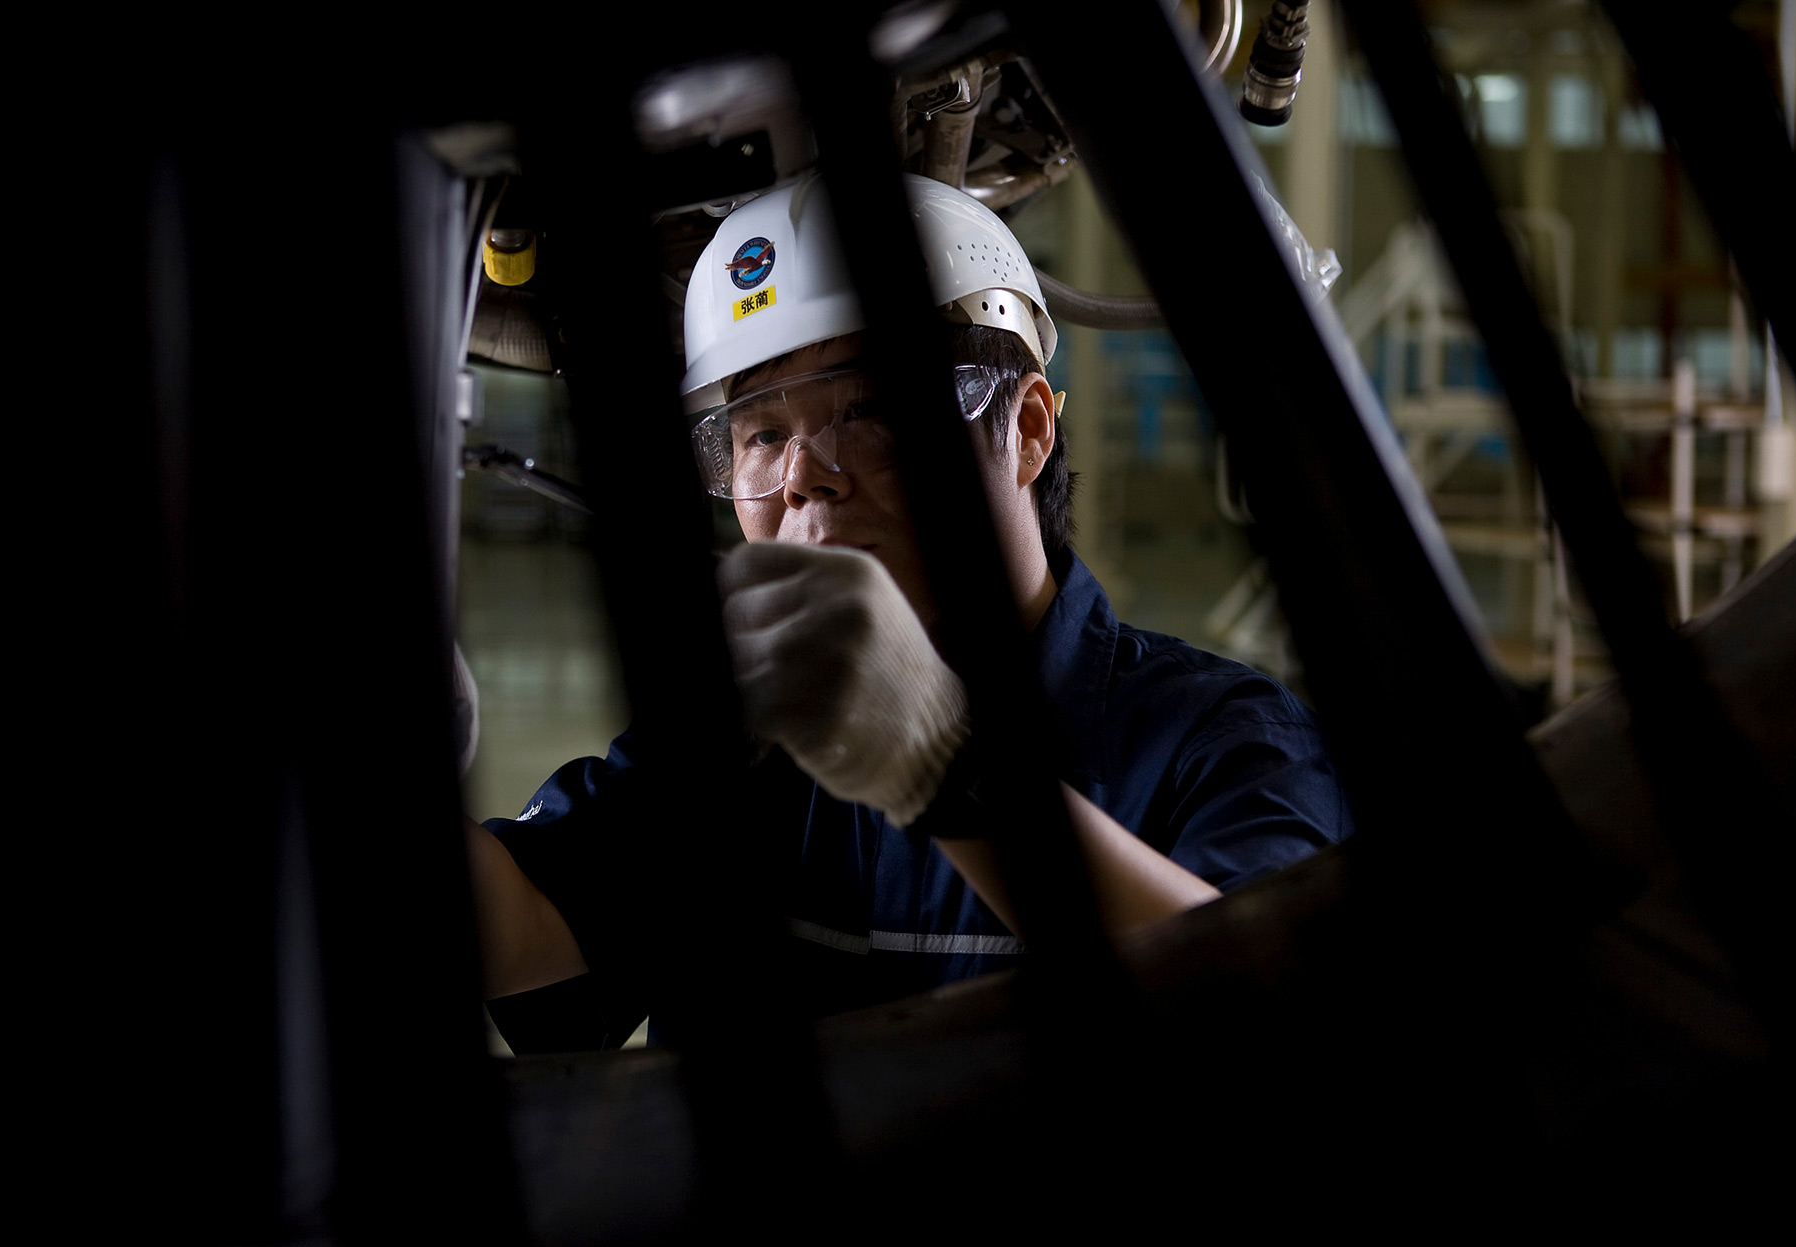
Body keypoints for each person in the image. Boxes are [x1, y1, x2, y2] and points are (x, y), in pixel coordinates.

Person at [465, 172, 1351, 1046]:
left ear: (1029, 428)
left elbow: (1271, 1031)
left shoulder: (1223, 743)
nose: (804, 472)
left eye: (873, 409)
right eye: (763, 434)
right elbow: (524, 930)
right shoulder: (744, 741)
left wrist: (946, 770)